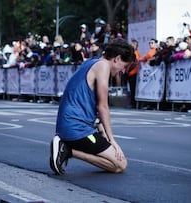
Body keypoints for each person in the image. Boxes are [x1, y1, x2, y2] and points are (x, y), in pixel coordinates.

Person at [50, 38, 135, 175]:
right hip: (77, 128)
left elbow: (93, 108)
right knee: (120, 164)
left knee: (118, 164)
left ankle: (67, 148)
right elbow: (103, 106)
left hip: (73, 125)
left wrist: (104, 135)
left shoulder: (92, 62)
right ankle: (67, 149)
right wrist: (112, 140)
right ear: (117, 58)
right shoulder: (103, 66)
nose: (123, 71)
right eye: (124, 66)